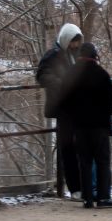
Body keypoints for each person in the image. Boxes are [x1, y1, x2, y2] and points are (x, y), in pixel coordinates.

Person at [62, 43, 112, 209]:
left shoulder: (71, 75)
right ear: (94, 56)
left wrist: (74, 118)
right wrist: (104, 115)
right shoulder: (101, 74)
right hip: (99, 126)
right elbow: (111, 98)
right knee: (102, 161)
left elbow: (64, 100)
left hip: (79, 126)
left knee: (84, 162)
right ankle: (102, 197)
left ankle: (87, 198)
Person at [36, 22, 84, 199]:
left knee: (80, 147)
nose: (75, 45)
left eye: (77, 42)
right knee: (68, 148)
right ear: (66, 40)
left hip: (77, 107)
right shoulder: (52, 55)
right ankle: (75, 188)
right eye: (73, 42)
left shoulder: (76, 54)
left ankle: (82, 185)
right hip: (63, 108)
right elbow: (42, 75)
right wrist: (61, 84)